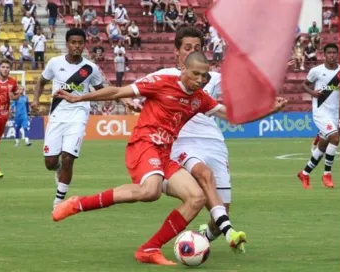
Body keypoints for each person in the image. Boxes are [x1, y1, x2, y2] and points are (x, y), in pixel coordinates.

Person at [52, 51, 287, 265]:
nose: (199, 79)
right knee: (150, 191)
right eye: (195, 73)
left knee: (196, 197)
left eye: (204, 76)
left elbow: (232, 116)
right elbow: (117, 91)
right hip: (144, 144)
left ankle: (149, 248)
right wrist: (79, 99)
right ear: (183, 69)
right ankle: (78, 204)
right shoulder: (161, 82)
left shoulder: (200, 98)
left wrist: (269, 110)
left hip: (165, 152)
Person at [128, 27, 250, 251]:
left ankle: (206, 235)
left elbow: (238, 91)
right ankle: (229, 232)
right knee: (203, 175)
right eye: (187, 48)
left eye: (197, 48)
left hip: (213, 142)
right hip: (182, 141)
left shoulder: (212, 78)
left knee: (220, 211)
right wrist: (130, 103)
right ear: (177, 52)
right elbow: (133, 93)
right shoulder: (164, 76)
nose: (191, 52)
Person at [31, 28, 104, 208]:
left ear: (84, 44)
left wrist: (123, 100)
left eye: (80, 43)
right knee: (50, 162)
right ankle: (58, 170)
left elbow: (102, 90)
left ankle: (59, 202)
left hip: (78, 115)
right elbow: (41, 82)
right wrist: (35, 100)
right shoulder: (55, 63)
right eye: (73, 42)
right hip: (57, 115)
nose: (77, 46)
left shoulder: (90, 68)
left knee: (68, 157)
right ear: (67, 43)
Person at [297, 43, 340, 189]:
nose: (332, 55)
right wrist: (312, 92)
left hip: (334, 112)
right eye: (329, 53)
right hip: (320, 111)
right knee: (334, 138)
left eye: (334, 53)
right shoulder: (316, 71)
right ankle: (327, 174)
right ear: (324, 54)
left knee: (323, 145)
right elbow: (304, 84)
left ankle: (305, 173)